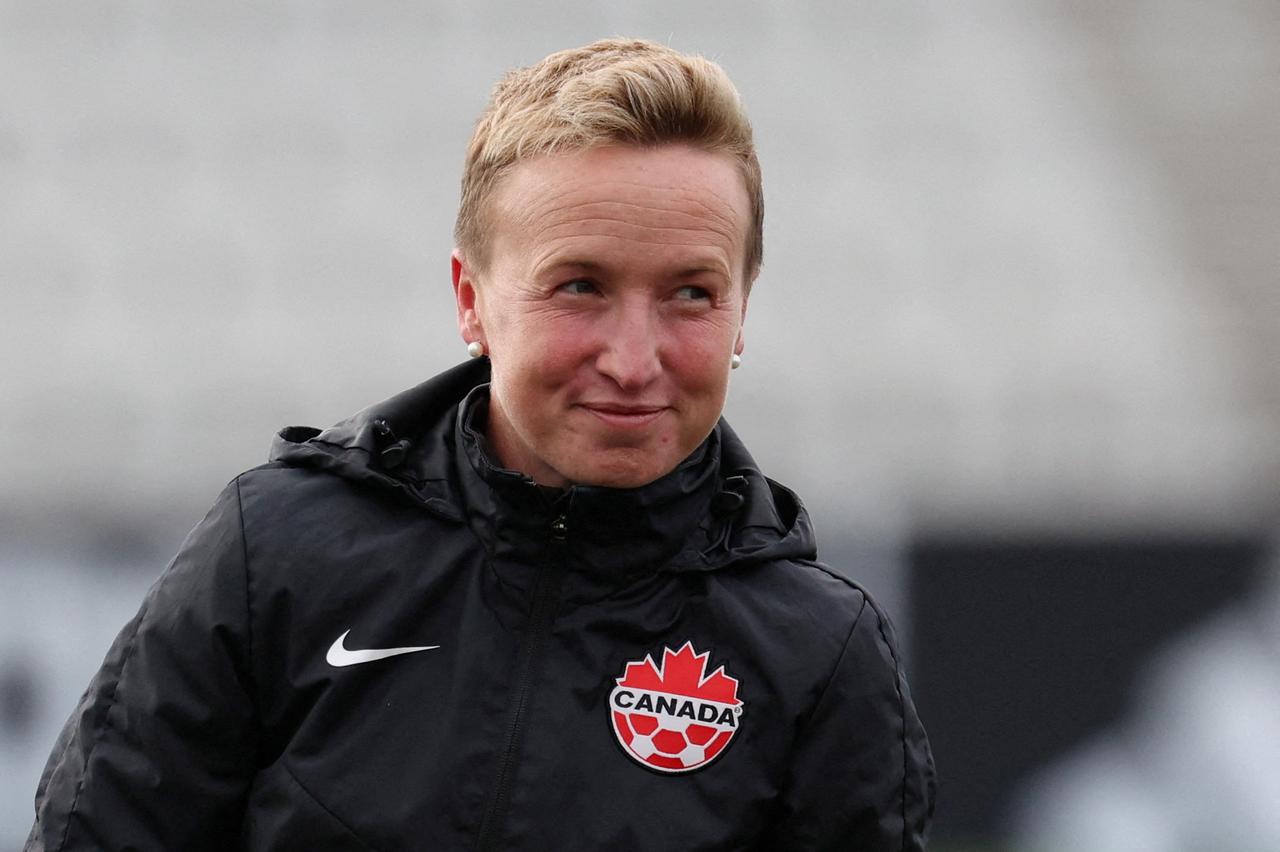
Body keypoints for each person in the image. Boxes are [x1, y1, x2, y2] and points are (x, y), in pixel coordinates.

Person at [28, 38, 935, 851]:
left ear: (743, 308)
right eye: (579, 287)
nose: (633, 360)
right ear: (472, 300)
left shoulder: (821, 653)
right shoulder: (278, 554)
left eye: (691, 294)